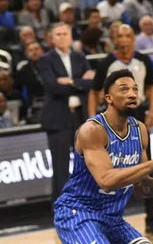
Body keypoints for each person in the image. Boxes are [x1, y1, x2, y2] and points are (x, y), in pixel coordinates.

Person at [54, 69, 153, 243]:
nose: (132, 94)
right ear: (109, 98)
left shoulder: (140, 130)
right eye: (124, 89)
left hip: (112, 219)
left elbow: (140, 188)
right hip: (78, 214)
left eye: (135, 89)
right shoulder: (93, 130)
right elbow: (106, 181)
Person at [88, 24, 153, 236]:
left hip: (138, 116)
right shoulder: (107, 63)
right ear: (114, 39)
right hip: (112, 120)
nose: (124, 39)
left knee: (146, 167)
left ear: (133, 39)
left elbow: (152, 86)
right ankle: (102, 221)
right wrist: (93, 119)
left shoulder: (142, 59)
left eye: (127, 35)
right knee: (108, 172)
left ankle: (152, 220)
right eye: (119, 36)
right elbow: (94, 92)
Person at [39, 23, 95, 205]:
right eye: (58, 34)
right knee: (60, 167)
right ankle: (61, 209)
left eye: (65, 34)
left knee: (86, 164)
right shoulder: (46, 59)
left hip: (80, 117)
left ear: (71, 37)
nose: (62, 37)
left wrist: (69, 82)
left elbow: (91, 84)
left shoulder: (80, 57)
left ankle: (86, 205)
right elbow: (52, 86)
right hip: (58, 119)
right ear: (52, 38)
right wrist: (79, 82)